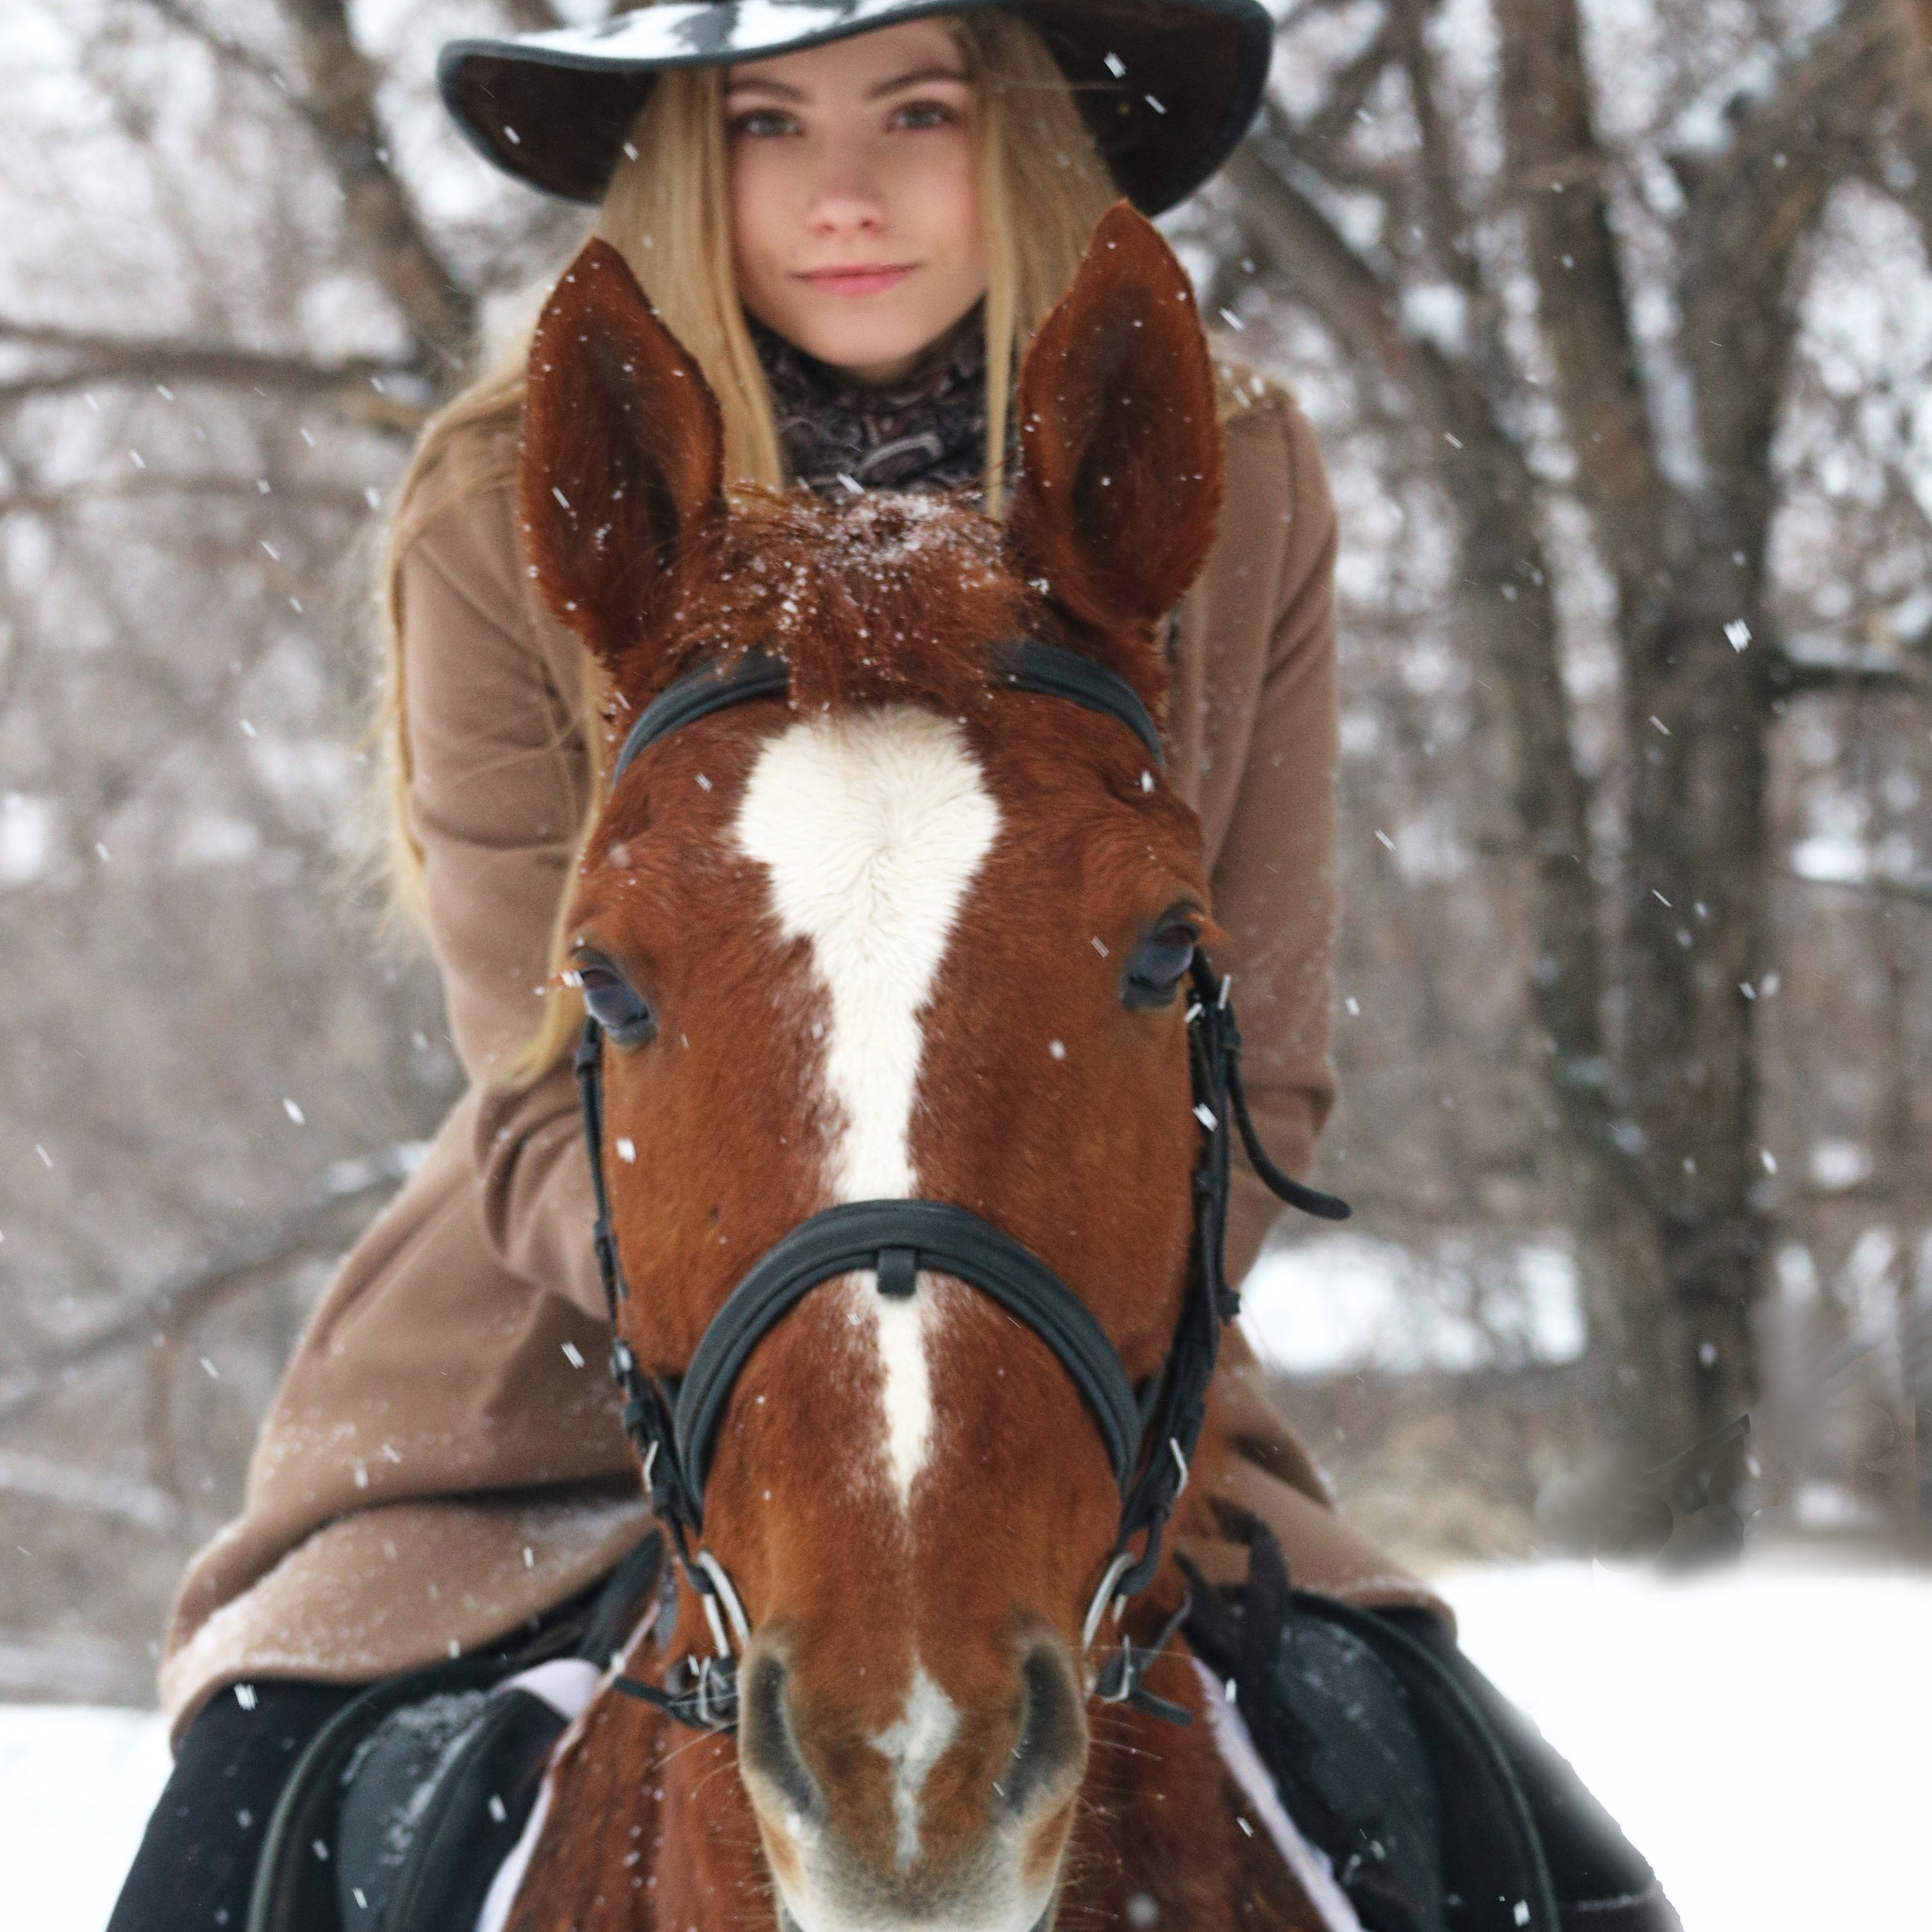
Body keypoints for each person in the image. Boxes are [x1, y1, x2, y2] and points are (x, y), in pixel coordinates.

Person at [109, 7, 1447, 1925]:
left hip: (1082, 1356)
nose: (844, 193)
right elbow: (533, 1094)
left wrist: (1002, 1368)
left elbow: (1266, 1063)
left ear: (1019, 132)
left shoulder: (1225, 474)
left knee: (1474, 1803)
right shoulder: (505, 497)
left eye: (917, 108)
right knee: (243, 1833)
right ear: (680, 152)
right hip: (561, 1359)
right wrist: (806, 1359)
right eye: (763, 122)